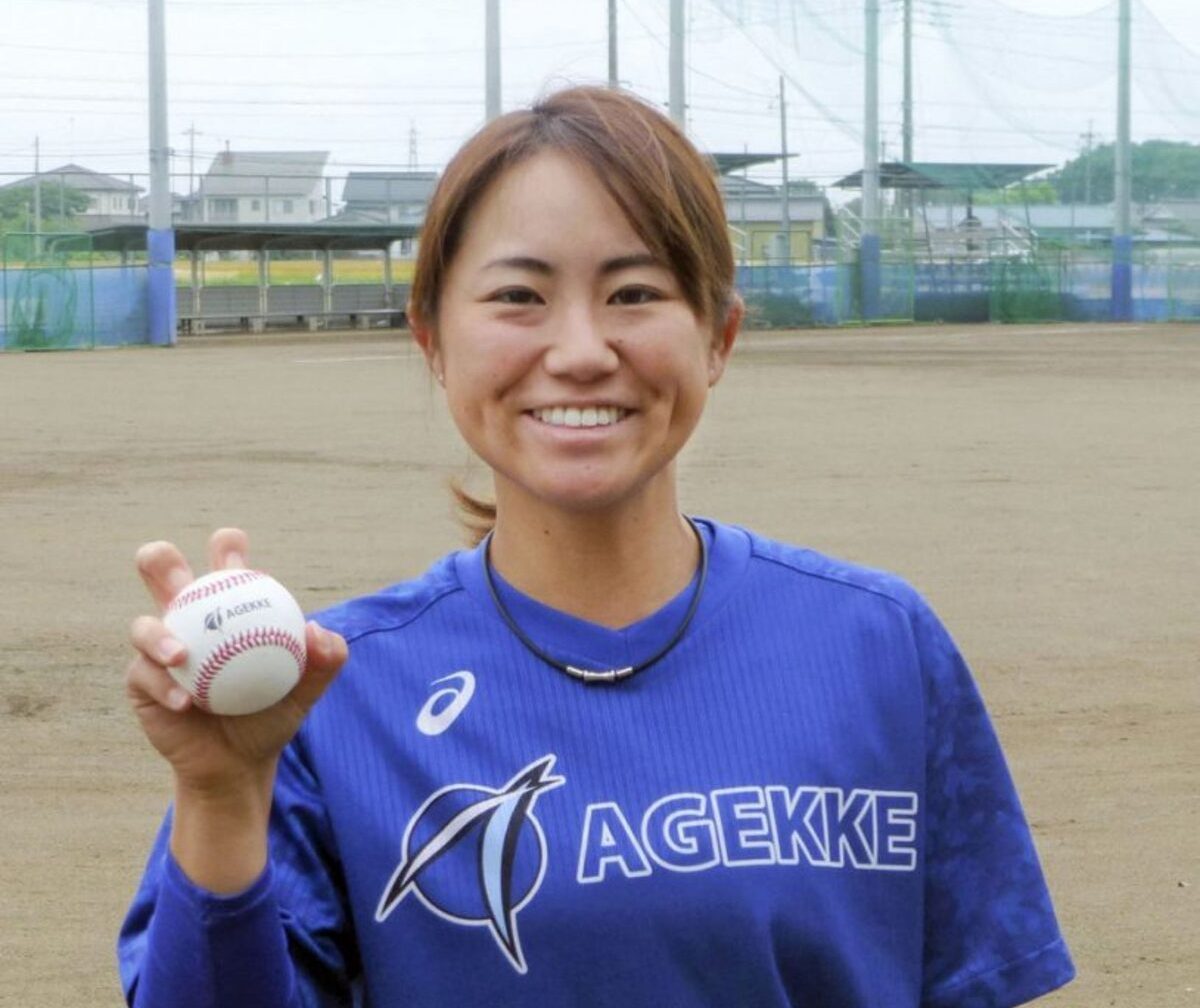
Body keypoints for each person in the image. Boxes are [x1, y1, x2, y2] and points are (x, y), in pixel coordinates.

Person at [119, 85, 1074, 1008]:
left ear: (719, 337)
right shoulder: (328, 699)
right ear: (433, 343)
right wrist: (222, 794)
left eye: (635, 291)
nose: (579, 349)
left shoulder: (879, 645)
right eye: (519, 297)